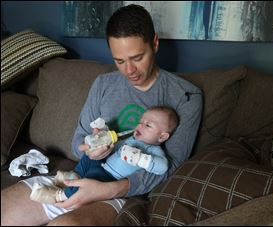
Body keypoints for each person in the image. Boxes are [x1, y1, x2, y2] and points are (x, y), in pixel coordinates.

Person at [1, 4, 203, 226]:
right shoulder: (103, 84)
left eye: (137, 57)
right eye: (119, 61)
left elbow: (171, 168)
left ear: (154, 43)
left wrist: (107, 189)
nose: (129, 71)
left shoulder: (186, 96)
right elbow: (79, 139)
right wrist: (92, 149)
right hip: (85, 174)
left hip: (125, 191)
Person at [29, 106, 179, 204]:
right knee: (88, 158)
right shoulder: (131, 139)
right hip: (103, 164)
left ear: (162, 137)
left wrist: (140, 158)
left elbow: (162, 167)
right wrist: (103, 140)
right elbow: (114, 147)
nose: (139, 125)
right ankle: (74, 176)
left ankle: (58, 196)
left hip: (110, 178)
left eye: (147, 125)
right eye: (140, 122)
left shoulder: (153, 151)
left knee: (91, 179)